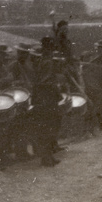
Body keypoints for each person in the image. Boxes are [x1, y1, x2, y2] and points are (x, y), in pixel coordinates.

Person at [31, 36, 65, 166]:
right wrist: (56, 86)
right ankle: (46, 158)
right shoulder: (48, 62)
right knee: (48, 127)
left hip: (41, 98)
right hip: (47, 99)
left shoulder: (41, 61)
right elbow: (44, 82)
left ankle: (48, 156)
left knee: (46, 128)